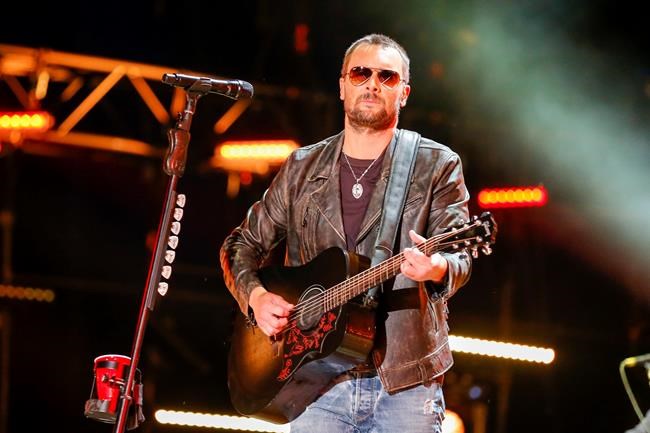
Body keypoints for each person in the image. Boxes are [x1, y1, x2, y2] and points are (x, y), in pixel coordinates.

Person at [220, 33, 472, 433]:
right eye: (360, 73)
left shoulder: (436, 165)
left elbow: (460, 255)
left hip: (405, 381)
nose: (372, 84)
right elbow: (241, 244)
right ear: (342, 86)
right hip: (316, 382)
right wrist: (256, 297)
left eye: (387, 77)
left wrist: (437, 268)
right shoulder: (302, 167)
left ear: (404, 93)